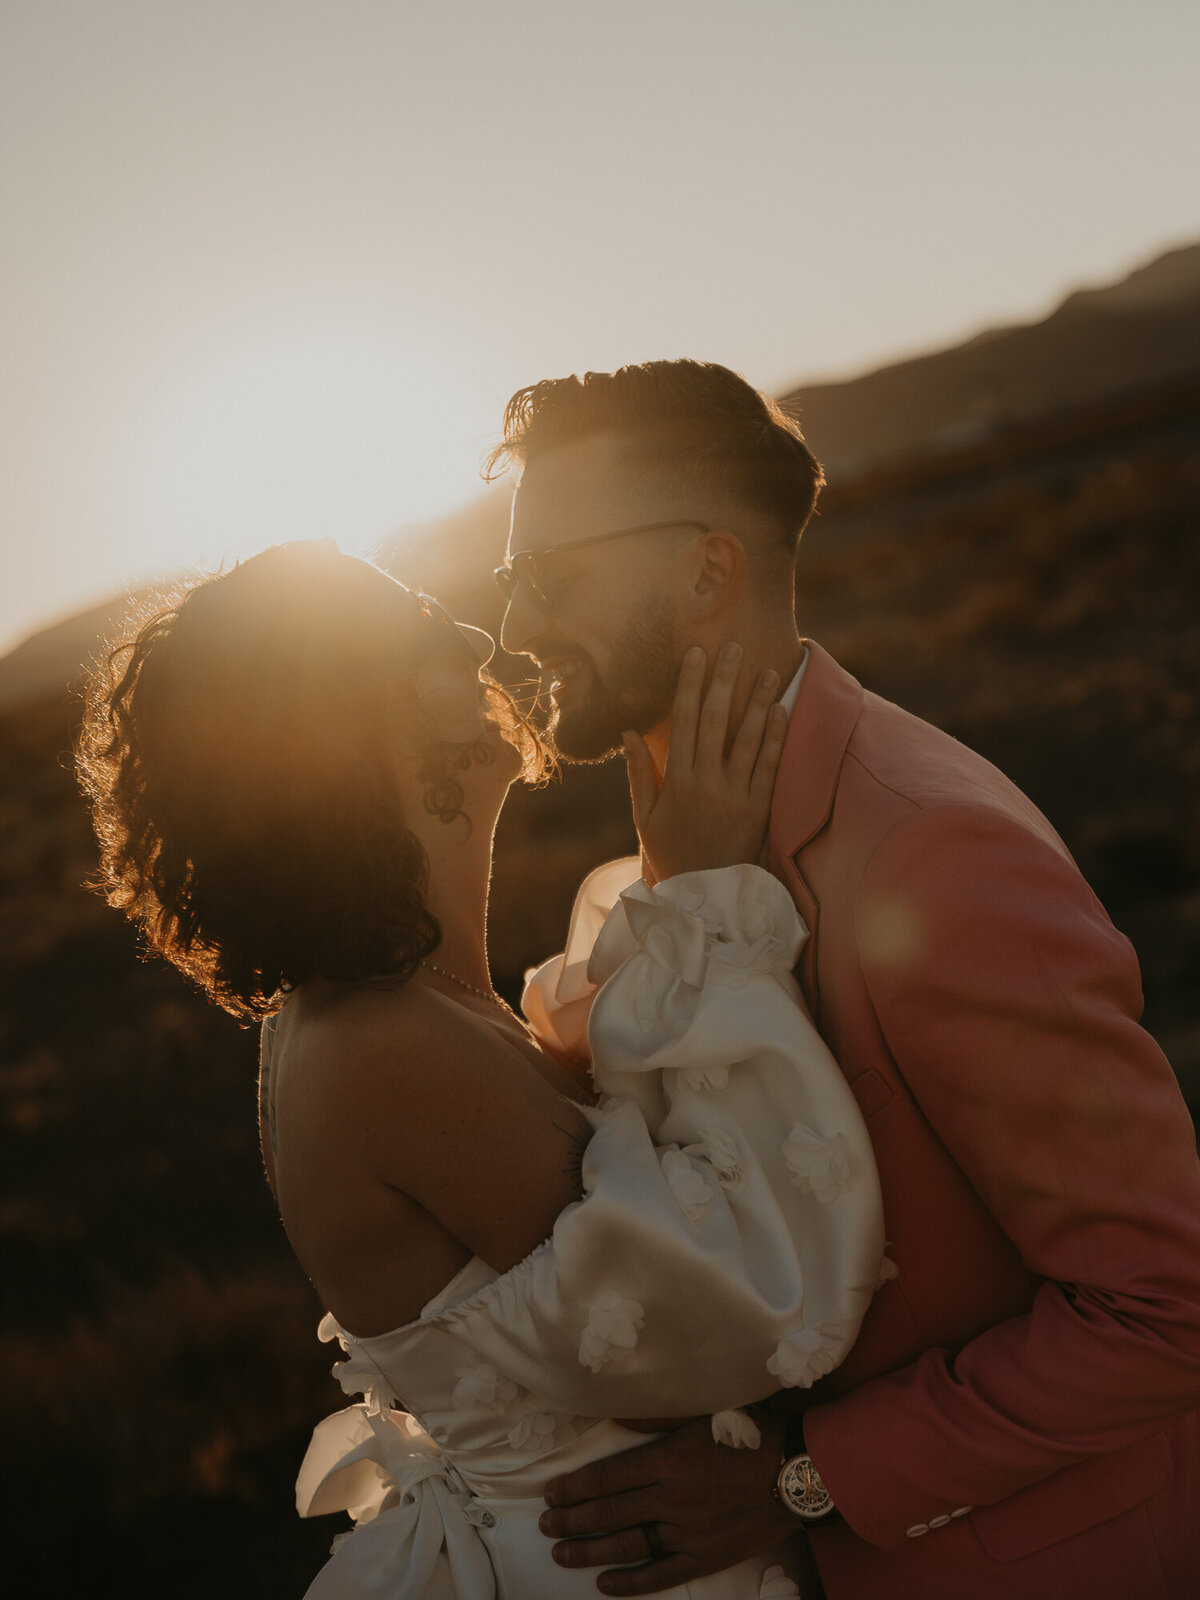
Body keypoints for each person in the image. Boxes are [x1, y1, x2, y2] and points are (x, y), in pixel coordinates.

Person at [489, 359, 1200, 1600]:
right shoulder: (674, 829)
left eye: (552, 574)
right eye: (510, 579)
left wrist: (798, 1479)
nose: (513, 628)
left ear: (709, 571)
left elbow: (1165, 1303)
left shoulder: (928, 852)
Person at [75, 538, 888, 1599]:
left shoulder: (414, 999)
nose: (471, 637)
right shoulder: (379, 1042)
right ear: (342, 725)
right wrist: (703, 898)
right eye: (423, 629)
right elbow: (716, 1320)